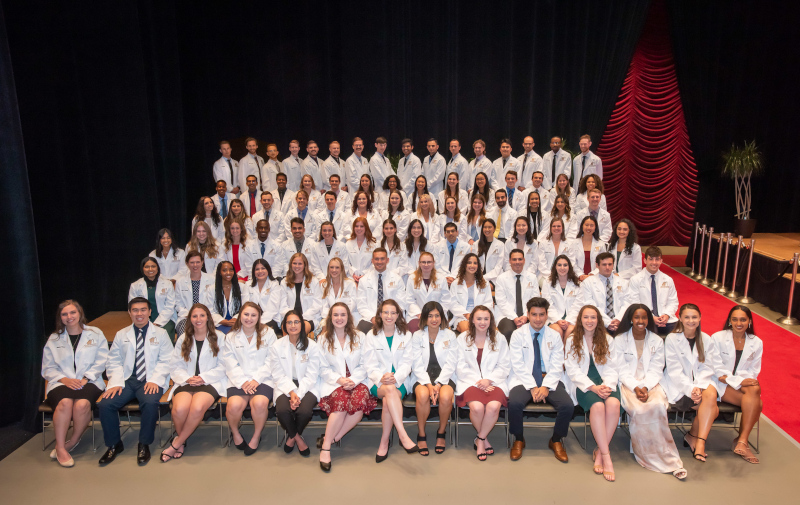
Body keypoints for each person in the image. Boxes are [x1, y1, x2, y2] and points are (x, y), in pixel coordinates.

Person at [98, 297, 173, 466]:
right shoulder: (121, 334)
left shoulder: (161, 334)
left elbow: (167, 360)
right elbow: (113, 360)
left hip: (150, 379)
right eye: (135, 310)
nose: (139, 314)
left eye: (143, 310)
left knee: (150, 402)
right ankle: (114, 445)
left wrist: (155, 380)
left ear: (149, 312)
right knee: (105, 404)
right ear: (129, 313)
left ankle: (144, 444)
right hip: (126, 380)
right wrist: (116, 382)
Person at [615, 304, 687, 479]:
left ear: (648, 320)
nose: (641, 321)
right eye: (637, 317)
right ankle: (646, 455)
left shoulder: (656, 340)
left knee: (658, 406)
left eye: (644, 317)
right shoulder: (619, 340)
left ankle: (669, 458)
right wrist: (636, 387)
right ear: (630, 319)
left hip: (651, 385)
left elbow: (657, 369)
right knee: (640, 409)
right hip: (627, 384)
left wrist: (646, 386)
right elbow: (620, 369)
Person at [41, 300, 109, 467]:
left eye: (73, 313)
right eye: (64, 314)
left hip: (90, 380)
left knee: (82, 405)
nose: (69, 317)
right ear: (60, 317)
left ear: (80, 314)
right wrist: (65, 379)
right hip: (61, 382)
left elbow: (102, 360)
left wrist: (86, 377)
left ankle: (72, 441)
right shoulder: (54, 338)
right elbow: (47, 368)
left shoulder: (95, 333)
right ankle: (60, 445)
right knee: (64, 403)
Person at [508, 298, 574, 462]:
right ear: (528, 314)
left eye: (541, 315)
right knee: (514, 403)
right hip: (524, 379)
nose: (538, 319)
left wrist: (545, 386)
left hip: (548, 378)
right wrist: (532, 386)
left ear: (547, 315)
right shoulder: (517, 335)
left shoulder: (555, 336)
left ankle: (556, 440)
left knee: (567, 406)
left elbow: (557, 365)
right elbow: (517, 365)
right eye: (534, 314)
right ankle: (519, 439)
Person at [161, 303, 226, 462]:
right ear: (190, 319)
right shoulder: (184, 338)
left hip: (210, 381)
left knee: (197, 408)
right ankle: (181, 442)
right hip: (186, 381)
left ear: (208, 318)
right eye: (194, 316)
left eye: (202, 315)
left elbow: (224, 365)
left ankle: (177, 444)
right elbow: (174, 365)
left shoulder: (219, 337)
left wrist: (203, 377)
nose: (198, 319)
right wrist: (187, 378)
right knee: (179, 410)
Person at [317, 302, 377, 471]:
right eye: (335, 315)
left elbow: (366, 364)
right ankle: (326, 447)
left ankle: (332, 439)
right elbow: (322, 368)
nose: (339, 318)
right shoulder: (322, 339)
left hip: (358, 380)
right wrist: (341, 380)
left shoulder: (360, 337)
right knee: (342, 403)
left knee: (358, 407)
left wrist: (354, 380)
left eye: (343, 315)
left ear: (349, 317)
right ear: (330, 318)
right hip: (335, 382)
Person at [564, 304, 621, 482]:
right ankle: (606, 456)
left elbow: (613, 366)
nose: (590, 321)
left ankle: (599, 453)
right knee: (597, 406)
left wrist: (607, 385)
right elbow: (572, 370)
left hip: (605, 382)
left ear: (599, 320)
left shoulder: (607, 339)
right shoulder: (573, 339)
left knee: (613, 404)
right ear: (580, 320)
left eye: (593, 317)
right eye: (586, 317)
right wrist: (593, 387)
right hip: (584, 384)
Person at [363, 300, 420, 461]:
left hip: (399, 381)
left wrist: (396, 377)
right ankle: (403, 435)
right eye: (385, 312)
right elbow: (369, 364)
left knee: (389, 400)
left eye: (393, 313)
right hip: (377, 382)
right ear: (380, 315)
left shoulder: (406, 335)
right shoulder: (371, 336)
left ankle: (384, 441)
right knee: (388, 390)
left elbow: (408, 362)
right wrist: (381, 377)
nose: (389, 316)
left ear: (398, 315)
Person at [662, 304, 719, 463]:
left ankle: (700, 442)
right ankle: (694, 437)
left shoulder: (707, 339)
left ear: (700, 318)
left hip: (700, 386)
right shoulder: (672, 338)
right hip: (679, 388)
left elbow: (708, 366)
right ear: (680, 318)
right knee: (713, 409)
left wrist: (698, 387)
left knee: (711, 393)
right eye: (686, 317)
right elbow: (674, 371)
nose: (691, 320)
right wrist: (691, 389)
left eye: (694, 317)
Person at [453, 306, 510, 461]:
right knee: (477, 408)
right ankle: (484, 439)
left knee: (493, 407)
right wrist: (478, 382)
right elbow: (459, 365)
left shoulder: (499, 338)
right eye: (479, 318)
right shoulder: (462, 338)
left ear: (491, 320)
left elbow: (505, 365)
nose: (482, 322)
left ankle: (480, 440)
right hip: (470, 381)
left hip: (494, 381)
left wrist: (488, 380)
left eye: (486, 318)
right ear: (472, 320)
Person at [221, 301, 277, 455]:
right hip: (239, 380)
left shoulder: (268, 333)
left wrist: (256, 380)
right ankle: (236, 433)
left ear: (259, 317)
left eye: (253, 315)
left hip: (263, 379)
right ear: (240, 315)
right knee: (233, 407)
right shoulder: (231, 336)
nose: (249, 318)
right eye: (246, 314)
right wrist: (243, 382)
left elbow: (271, 360)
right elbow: (230, 363)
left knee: (259, 404)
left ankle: (256, 436)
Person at [712, 305, 763, 464]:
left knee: (754, 387)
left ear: (749, 321)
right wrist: (738, 382)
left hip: (742, 384)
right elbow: (716, 369)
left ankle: (741, 440)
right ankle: (742, 441)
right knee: (758, 404)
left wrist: (742, 382)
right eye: (734, 319)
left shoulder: (757, 342)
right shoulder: (718, 337)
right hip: (718, 383)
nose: (738, 323)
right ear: (729, 321)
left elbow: (754, 370)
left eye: (743, 319)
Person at [271, 310, 321, 456]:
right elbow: (277, 373)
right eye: (289, 322)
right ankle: (298, 439)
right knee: (282, 411)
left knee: (304, 412)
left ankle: (291, 438)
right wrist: (292, 392)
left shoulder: (312, 346)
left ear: (302, 324)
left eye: (296, 322)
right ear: (284, 326)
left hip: (308, 384)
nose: (293, 325)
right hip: (284, 384)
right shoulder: (277, 346)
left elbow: (312, 375)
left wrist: (298, 394)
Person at [411, 301, 457, 456]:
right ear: (424, 318)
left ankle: (441, 432)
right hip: (422, 375)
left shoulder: (450, 335)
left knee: (445, 397)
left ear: (442, 317)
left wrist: (437, 384)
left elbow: (451, 363)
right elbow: (416, 364)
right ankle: (421, 433)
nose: (434, 319)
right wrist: (428, 384)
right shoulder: (417, 336)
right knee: (423, 395)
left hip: (445, 375)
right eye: (430, 316)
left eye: (437, 315)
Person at [625, 246, 679, 335]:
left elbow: (673, 301)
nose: (654, 262)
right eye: (651, 259)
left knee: (679, 333)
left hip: (666, 320)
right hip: (644, 319)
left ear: (661, 261)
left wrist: (666, 315)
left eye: (657, 259)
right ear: (645, 260)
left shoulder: (668, 280)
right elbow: (634, 303)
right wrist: (651, 317)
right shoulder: (635, 279)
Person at [355, 248, 409, 334]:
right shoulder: (364, 280)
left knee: (402, 333)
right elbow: (361, 305)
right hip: (371, 318)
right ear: (372, 261)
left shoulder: (397, 279)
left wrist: (389, 317)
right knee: (360, 333)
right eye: (376, 259)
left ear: (387, 260)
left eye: (382, 258)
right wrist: (373, 318)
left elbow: (401, 303)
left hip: (392, 318)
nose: (379, 262)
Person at [571, 252, 629, 333]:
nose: (607, 267)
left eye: (610, 264)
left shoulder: (623, 282)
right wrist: (607, 322)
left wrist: (618, 319)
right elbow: (590, 305)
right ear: (597, 265)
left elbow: (627, 303)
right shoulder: (588, 283)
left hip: (620, 323)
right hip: (598, 323)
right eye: (604, 264)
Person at [496, 249, 540, 341]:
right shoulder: (501, 279)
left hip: (528, 314)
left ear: (524, 260)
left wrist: (525, 316)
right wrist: (515, 318)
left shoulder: (532, 278)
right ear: (509, 261)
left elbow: (535, 300)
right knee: (508, 332)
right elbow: (501, 302)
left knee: (534, 332)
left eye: (520, 259)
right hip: (507, 315)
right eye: (514, 259)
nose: (517, 262)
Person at [128, 257, 176, 341]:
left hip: (165, 319)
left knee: (164, 338)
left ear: (157, 268)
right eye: (147, 267)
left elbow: (170, 306)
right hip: (142, 318)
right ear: (142, 269)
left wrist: (157, 323)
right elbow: (133, 307)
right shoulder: (135, 286)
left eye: (153, 266)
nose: (150, 269)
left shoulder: (168, 284)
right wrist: (145, 321)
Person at [406, 252, 453, 333]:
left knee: (441, 332)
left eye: (429, 262)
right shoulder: (412, 278)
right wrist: (420, 314)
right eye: (423, 262)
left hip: (437, 315)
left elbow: (445, 300)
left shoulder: (441, 278)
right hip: (417, 315)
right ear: (419, 263)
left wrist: (435, 315)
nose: (426, 265)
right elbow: (409, 300)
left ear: (433, 263)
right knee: (415, 329)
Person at [279, 252, 322, 334]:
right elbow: (282, 305)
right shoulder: (285, 282)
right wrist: (292, 318)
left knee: (301, 329)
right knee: (285, 328)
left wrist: (301, 318)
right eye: (294, 263)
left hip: (309, 318)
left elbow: (317, 304)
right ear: (291, 265)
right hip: (289, 318)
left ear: (305, 265)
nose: (297, 266)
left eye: (300, 264)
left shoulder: (313, 281)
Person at [449, 253, 493, 333]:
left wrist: (478, 315)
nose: (472, 265)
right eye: (469, 262)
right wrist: (467, 315)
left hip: (481, 316)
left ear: (478, 266)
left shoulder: (485, 283)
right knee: (468, 331)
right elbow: (453, 303)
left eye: (475, 263)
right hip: (462, 316)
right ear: (464, 265)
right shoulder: (456, 283)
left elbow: (488, 302)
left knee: (493, 332)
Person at [174, 251, 215, 337]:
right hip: (186, 317)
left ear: (202, 263)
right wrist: (190, 315)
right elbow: (178, 303)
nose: (195, 265)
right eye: (192, 262)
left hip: (207, 316)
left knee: (209, 334)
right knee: (184, 335)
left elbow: (213, 302)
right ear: (187, 264)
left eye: (197, 262)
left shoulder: (211, 279)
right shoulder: (180, 281)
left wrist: (203, 315)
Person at [541, 254, 580, 342]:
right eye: (559, 265)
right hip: (554, 318)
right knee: (558, 331)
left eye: (565, 265)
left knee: (570, 331)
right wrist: (558, 320)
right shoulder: (547, 283)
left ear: (569, 267)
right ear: (555, 267)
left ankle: (566, 354)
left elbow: (578, 305)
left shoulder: (577, 283)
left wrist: (568, 320)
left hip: (572, 319)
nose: (562, 268)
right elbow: (547, 304)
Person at [204, 261, 251, 334]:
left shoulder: (242, 287)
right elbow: (209, 310)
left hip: (238, 322)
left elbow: (246, 307)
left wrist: (235, 319)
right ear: (219, 272)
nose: (228, 272)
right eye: (224, 270)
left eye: (231, 269)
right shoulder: (212, 289)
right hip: (219, 323)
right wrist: (223, 321)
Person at [319, 257, 360, 326]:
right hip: (329, 318)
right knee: (322, 332)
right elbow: (324, 306)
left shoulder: (350, 284)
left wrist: (340, 316)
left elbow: (353, 304)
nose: (334, 270)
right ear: (328, 269)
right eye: (331, 267)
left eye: (337, 267)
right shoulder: (324, 285)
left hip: (347, 318)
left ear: (342, 269)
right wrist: (331, 318)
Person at [249, 259, 282, 335]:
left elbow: (273, 309)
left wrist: (260, 322)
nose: (260, 271)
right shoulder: (248, 285)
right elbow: (245, 306)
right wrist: (252, 320)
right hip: (251, 318)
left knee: (262, 332)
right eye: (257, 269)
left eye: (263, 268)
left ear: (268, 270)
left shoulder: (274, 284)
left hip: (270, 318)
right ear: (254, 272)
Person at [435, 221, 470, 286]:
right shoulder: (437, 247)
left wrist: (453, 277)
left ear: (457, 232)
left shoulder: (466, 247)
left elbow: (464, 265)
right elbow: (436, 265)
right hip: (442, 278)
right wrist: (446, 278)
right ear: (444, 234)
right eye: (448, 232)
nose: (450, 233)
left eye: (453, 231)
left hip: (459, 278)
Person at [472, 219, 505, 285]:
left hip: (494, 278)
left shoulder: (500, 245)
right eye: (485, 227)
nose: (487, 229)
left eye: (490, 227)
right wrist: (479, 277)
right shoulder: (476, 244)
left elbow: (499, 267)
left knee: (487, 287)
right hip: (478, 277)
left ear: (494, 229)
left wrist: (483, 278)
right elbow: (473, 263)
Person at [346, 216, 378, 283]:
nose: (359, 228)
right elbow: (346, 262)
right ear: (353, 228)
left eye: (362, 226)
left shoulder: (373, 244)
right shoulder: (348, 244)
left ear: (366, 228)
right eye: (356, 226)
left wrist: (365, 274)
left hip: (369, 277)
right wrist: (353, 273)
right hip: (351, 278)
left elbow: (375, 263)